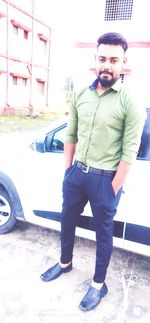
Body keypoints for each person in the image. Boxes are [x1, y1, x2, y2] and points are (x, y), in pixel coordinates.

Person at [40, 32, 145, 311]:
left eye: (113, 59)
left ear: (124, 63)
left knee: (103, 233)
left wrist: (113, 187)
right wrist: (68, 172)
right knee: (67, 221)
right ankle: (65, 263)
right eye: (102, 59)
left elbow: (129, 151)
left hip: (105, 180)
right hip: (76, 175)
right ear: (94, 61)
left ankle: (99, 284)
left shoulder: (130, 102)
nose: (107, 65)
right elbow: (71, 135)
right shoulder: (80, 95)